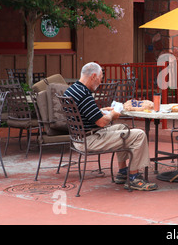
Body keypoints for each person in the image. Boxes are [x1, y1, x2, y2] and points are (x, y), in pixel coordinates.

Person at [64, 62, 157, 191]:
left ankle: (123, 171)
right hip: (90, 140)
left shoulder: (72, 90)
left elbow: (84, 113)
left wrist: (102, 111)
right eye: (101, 77)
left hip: (79, 138)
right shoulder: (85, 94)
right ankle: (134, 178)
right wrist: (112, 115)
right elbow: (102, 122)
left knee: (122, 128)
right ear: (94, 76)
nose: (101, 81)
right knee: (139, 134)